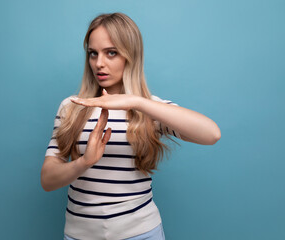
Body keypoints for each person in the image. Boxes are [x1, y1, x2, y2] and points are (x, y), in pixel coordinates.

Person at [41, 12, 221, 240]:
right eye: (93, 54)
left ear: (130, 55)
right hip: (80, 235)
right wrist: (84, 162)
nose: (99, 63)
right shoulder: (71, 107)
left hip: (141, 234)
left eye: (111, 53)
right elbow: (47, 180)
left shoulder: (150, 108)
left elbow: (211, 134)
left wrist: (135, 101)